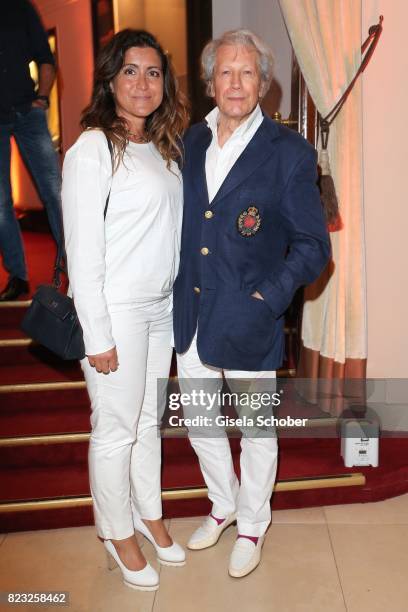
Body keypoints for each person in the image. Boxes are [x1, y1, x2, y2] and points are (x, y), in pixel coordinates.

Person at [173, 29, 331, 578]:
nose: (235, 82)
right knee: (200, 421)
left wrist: (269, 296)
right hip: (191, 314)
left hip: (249, 318)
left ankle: (252, 524)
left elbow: (313, 246)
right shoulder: (191, 141)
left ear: (263, 83)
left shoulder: (288, 153)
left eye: (247, 73)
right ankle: (222, 503)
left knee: (257, 428)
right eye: (225, 72)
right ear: (210, 81)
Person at [61, 29, 189, 591]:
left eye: (154, 72)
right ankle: (117, 533)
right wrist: (98, 335)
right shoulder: (92, 148)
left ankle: (149, 513)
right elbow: (82, 251)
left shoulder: (162, 147)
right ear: (111, 79)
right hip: (116, 309)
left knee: (147, 424)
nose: (143, 83)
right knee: (114, 428)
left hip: (160, 308)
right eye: (131, 71)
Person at [0, 0, 63, 301]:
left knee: (54, 192)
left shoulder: (22, 8)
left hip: (28, 113)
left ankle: (74, 266)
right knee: (1, 202)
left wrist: (43, 99)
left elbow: (45, 57)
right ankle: (18, 275)